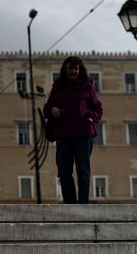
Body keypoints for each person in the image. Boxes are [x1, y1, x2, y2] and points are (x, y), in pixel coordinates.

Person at [43, 56, 103, 204]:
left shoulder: (88, 87)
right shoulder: (58, 87)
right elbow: (46, 109)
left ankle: (83, 204)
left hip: (83, 134)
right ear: (65, 69)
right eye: (71, 68)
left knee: (83, 171)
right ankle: (70, 204)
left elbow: (98, 109)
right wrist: (52, 110)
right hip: (63, 135)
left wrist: (90, 116)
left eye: (76, 68)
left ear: (80, 70)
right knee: (64, 172)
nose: (73, 71)